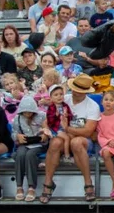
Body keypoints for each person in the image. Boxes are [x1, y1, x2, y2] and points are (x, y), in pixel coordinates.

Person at [40, 74, 101, 204]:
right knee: (55, 142)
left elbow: (88, 131)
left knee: (76, 142)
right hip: (63, 136)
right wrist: (46, 129)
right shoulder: (63, 99)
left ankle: (88, 183)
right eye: (74, 88)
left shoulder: (92, 106)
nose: (74, 91)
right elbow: (48, 119)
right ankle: (48, 182)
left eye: (78, 90)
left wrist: (67, 128)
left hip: (84, 139)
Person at [11, 96, 47, 202]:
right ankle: (19, 186)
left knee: (30, 155)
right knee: (20, 154)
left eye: (30, 112)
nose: (28, 114)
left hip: (39, 144)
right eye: (25, 112)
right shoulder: (17, 119)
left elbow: (47, 130)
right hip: (24, 144)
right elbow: (13, 133)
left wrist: (44, 134)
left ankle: (32, 187)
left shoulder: (42, 116)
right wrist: (17, 137)